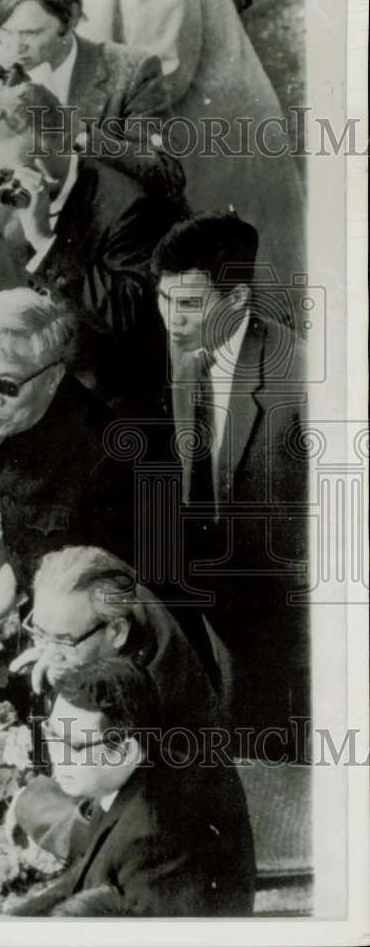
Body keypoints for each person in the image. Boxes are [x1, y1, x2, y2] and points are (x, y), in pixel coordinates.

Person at [152, 211, 309, 754]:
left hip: (294, 620)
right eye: (164, 299)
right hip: (229, 603)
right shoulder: (189, 350)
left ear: (238, 300)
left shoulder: (301, 384)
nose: (172, 319)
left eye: (190, 303)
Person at [73, 0, 307, 310]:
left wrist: (66, 115)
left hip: (209, 139)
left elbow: (164, 74)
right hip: (159, 142)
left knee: (242, 282)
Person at [0, 80, 175, 408]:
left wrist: (45, 243)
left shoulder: (125, 204)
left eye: (23, 167)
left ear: (61, 140)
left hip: (111, 406)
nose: (9, 184)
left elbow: (133, 319)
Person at [6, 545, 223, 864]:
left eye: (63, 640)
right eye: (39, 633)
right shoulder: (109, 606)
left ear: (117, 632)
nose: (48, 655)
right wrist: (62, 655)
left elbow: (104, 830)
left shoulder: (152, 695)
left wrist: (26, 801)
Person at [0, 291, 139, 629]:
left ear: (52, 378)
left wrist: (59, 645)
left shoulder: (105, 459)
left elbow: (125, 592)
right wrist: (7, 581)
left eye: (7, 386)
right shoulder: (15, 418)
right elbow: (23, 522)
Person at [5, 658, 255, 917]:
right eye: (53, 735)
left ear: (124, 751)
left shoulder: (153, 842)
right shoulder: (131, 775)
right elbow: (82, 872)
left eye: (74, 746)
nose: (57, 756)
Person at [0, 0, 186, 199]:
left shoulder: (131, 70)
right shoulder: (0, 86)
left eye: (31, 33)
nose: (16, 47)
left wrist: (80, 134)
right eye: (5, 32)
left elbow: (168, 175)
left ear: (71, 18)